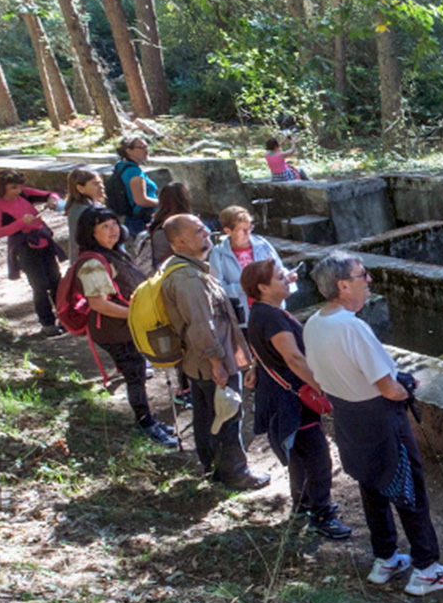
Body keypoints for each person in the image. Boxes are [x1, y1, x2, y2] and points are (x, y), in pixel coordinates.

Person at [303, 251, 443, 596]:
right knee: (408, 488)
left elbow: (320, 376)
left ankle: (385, 557)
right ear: (343, 285)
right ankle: (426, 568)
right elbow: (388, 388)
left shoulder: (313, 324)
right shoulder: (352, 328)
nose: (369, 280)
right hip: (381, 419)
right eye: (362, 275)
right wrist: (406, 389)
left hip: (347, 417)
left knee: (371, 486)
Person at [243, 259, 351, 541]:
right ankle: (322, 515)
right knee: (317, 456)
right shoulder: (272, 318)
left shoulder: (262, 312)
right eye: (280, 277)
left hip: (281, 397)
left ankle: (302, 505)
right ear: (263, 287)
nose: (288, 279)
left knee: (299, 455)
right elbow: (293, 358)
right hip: (291, 399)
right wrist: (322, 387)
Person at [161, 214, 270, 491]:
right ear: (179, 241)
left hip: (199, 361)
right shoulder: (188, 278)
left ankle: (214, 469)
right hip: (212, 361)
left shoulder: (188, 269)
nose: (207, 233)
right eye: (198, 231)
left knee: (207, 416)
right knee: (228, 414)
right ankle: (236, 474)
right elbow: (201, 324)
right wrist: (217, 363)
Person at [70, 207, 182, 449]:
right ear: (90, 233)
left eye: (114, 223)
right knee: (135, 376)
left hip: (124, 327)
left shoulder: (113, 253)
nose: (114, 230)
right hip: (114, 332)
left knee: (138, 373)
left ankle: (148, 421)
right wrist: (136, 315)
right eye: (105, 226)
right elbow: (99, 304)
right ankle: (146, 425)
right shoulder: (92, 263)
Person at [0, 168, 66, 336]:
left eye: (19, 187)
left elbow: (51, 194)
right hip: (24, 248)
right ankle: (47, 323)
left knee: (56, 281)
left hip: (44, 242)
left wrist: (52, 200)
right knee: (39, 285)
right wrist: (21, 223)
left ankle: (65, 318)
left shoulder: (25, 194)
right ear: (2, 188)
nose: (17, 191)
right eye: (13, 188)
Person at [210, 205, 287, 326]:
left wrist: (287, 276)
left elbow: (279, 267)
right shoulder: (218, 254)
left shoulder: (262, 244)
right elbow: (216, 289)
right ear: (228, 231)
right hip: (244, 314)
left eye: (250, 227)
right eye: (242, 230)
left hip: (273, 307)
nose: (248, 233)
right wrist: (243, 287)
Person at [111, 137, 159, 237]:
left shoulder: (121, 165)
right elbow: (141, 200)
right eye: (141, 147)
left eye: (146, 146)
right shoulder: (134, 172)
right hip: (142, 219)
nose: (146, 150)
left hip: (133, 218)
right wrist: (163, 203)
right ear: (129, 151)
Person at [146, 182, 198, 269]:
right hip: (180, 270)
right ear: (185, 199)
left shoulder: (155, 224)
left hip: (160, 270)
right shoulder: (185, 225)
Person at [63, 168, 105, 249]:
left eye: (101, 183)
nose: (101, 187)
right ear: (80, 188)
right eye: (95, 184)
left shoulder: (96, 206)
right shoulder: (83, 211)